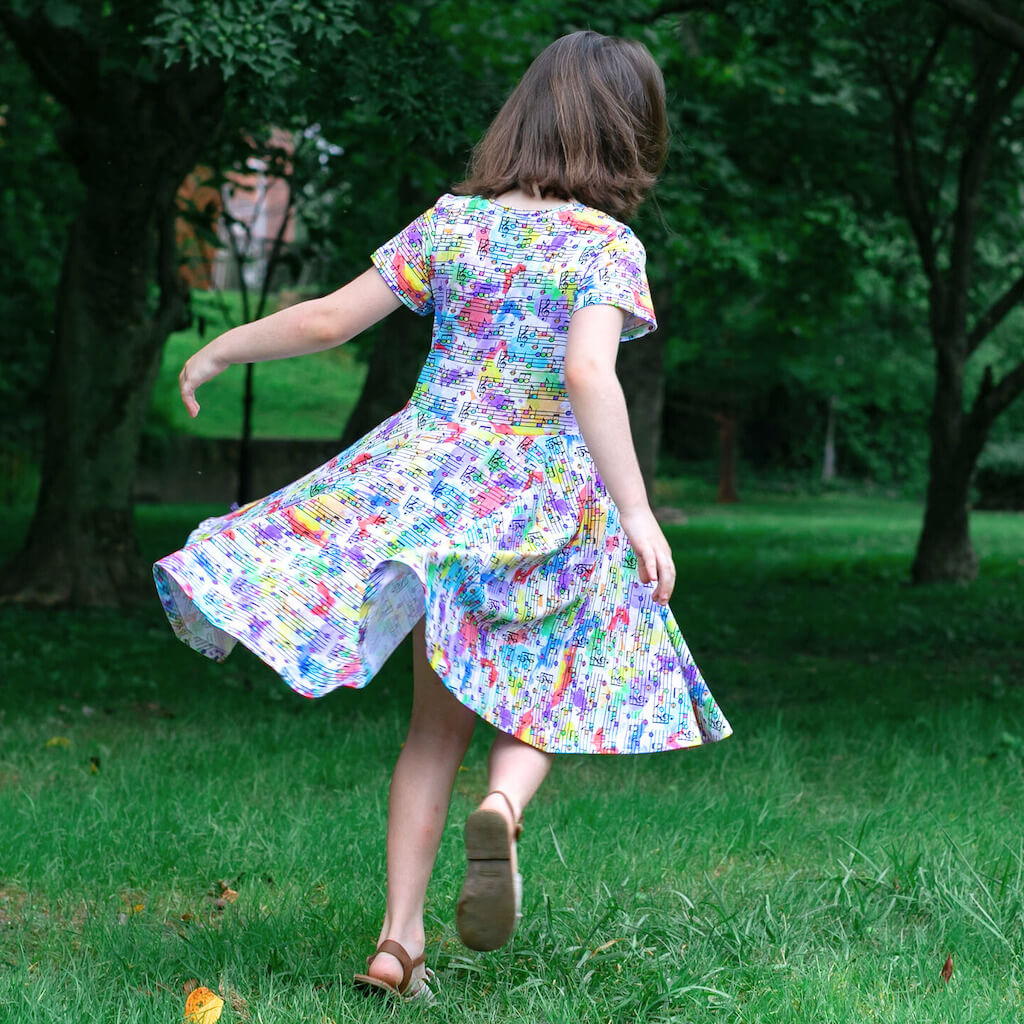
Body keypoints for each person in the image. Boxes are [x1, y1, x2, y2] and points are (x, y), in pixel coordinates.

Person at [154, 29, 732, 1002]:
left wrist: (221, 350)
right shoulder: (604, 246)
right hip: (541, 503)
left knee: (431, 730)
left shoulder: (454, 225)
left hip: (430, 491)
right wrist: (638, 512)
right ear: (629, 134)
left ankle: (397, 942)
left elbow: (331, 319)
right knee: (553, 681)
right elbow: (589, 370)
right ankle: (502, 806)